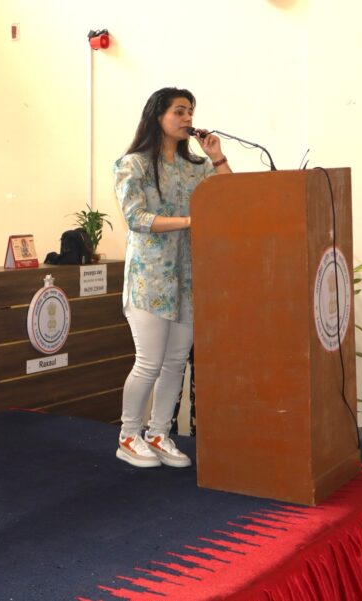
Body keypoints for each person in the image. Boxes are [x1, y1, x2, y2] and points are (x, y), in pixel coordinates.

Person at [113, 87, 232, 468]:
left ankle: (159, 433)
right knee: (149, 362)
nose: (188, 118)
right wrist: (190, 221)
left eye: (190, 111)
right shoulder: (133, 164)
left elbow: (231, 196)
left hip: (187, 278)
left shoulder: (194, 167)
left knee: (176, 362)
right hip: (149, 279)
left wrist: (217, 157)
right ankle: (128, 435)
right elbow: (136, 218)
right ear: (158, 116)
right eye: (179, 111)